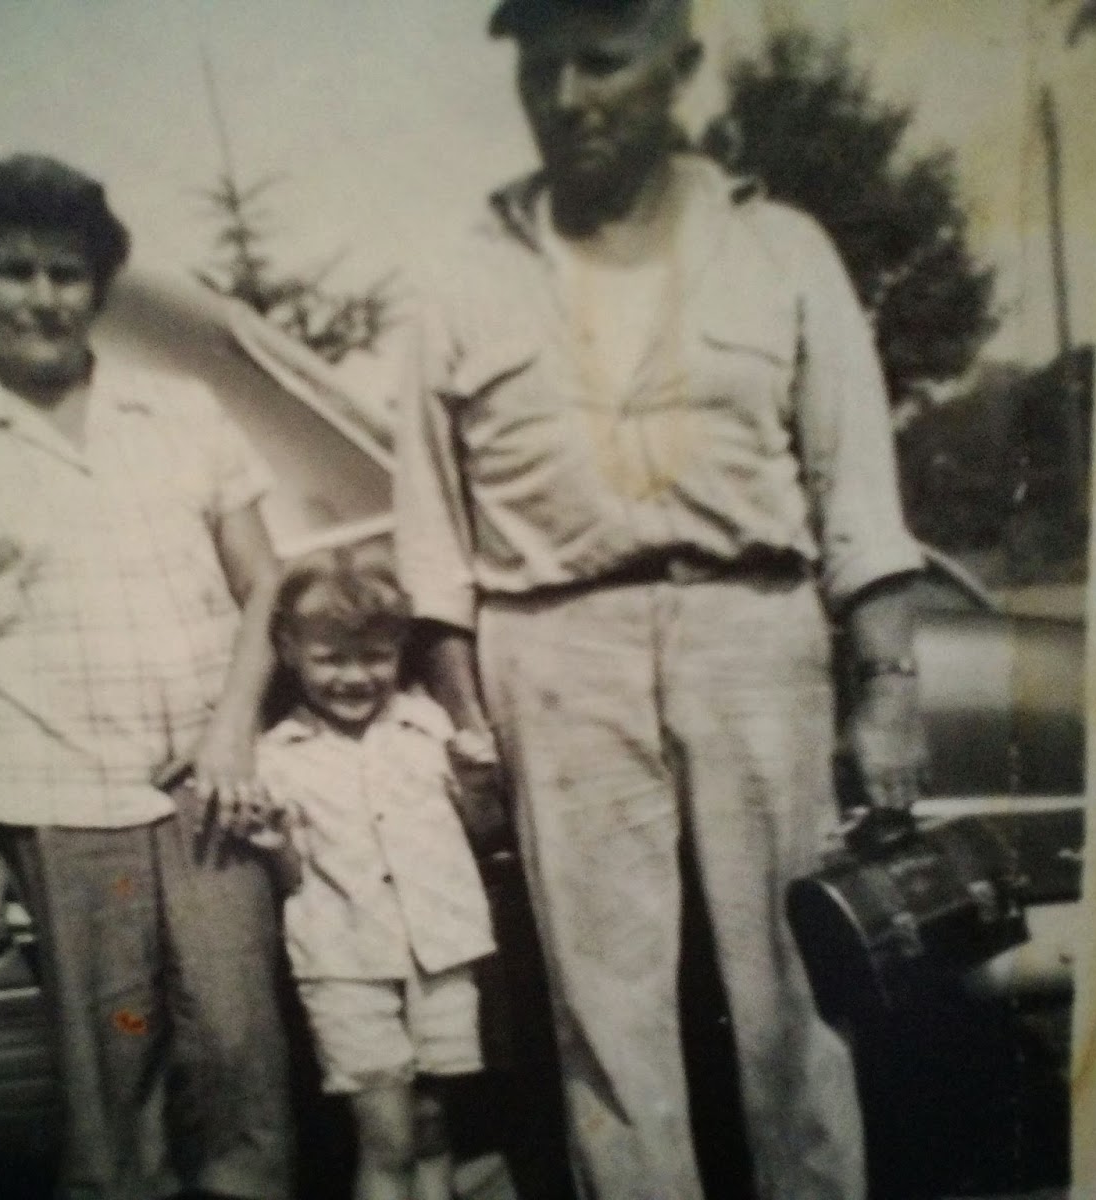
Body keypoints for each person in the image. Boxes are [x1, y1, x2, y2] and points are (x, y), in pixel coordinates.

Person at [392, 2, 929, 1198]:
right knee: (604, 1009)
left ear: (678, 67)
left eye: (603, 61)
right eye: (542, 68)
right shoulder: (457, 279)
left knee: (794, 985)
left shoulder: (779, 248)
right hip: (555, 645)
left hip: (752, 632)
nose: (569, 95)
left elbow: (857, 489)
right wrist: (468, 721)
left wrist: (886, 686)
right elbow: (430, 532)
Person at [0, 154, 290, 1200]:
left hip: (209, 797)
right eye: (15, 271)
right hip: (62, 808)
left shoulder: (181, 412)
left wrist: (233, 730)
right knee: (112, 1090)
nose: (43, 298)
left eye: (67, 271)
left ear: (99, 285)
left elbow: (266, 583)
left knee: (241, 1061)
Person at [236, 548, 497, 1200]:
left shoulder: (428, 725)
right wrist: (272, 845)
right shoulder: (276, 758)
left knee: (435, 1125)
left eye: (375, 656)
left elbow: (481, 834)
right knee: (389, 1140)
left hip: (441, 955)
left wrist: (478, 788)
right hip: (347, 966)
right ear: (290, 652)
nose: (356, 676)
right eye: (331, 659)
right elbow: (294, 880)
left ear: (400, 650)